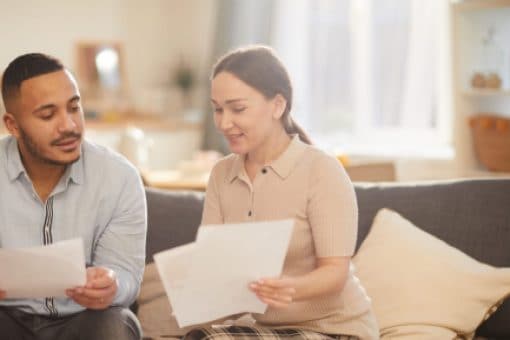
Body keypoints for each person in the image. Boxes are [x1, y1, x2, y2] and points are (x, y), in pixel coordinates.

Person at [182, 46, 379, 340]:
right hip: (267, 329)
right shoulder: (222, 174)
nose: (224, 123)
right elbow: (216, 264)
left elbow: (336, 273)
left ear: (277, 105)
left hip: (334, 329)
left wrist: (290, 288)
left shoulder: (321, 170)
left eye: (238, 109)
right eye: (218, 109)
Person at [0, 53, 147, 340]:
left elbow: (127, 274)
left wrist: (112, 285)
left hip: (85, 319)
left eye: (74, 108)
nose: (68, 125)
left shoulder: (119, 177)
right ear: (13, 125)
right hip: (6, 317)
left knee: (114, 325)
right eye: (47, 115)